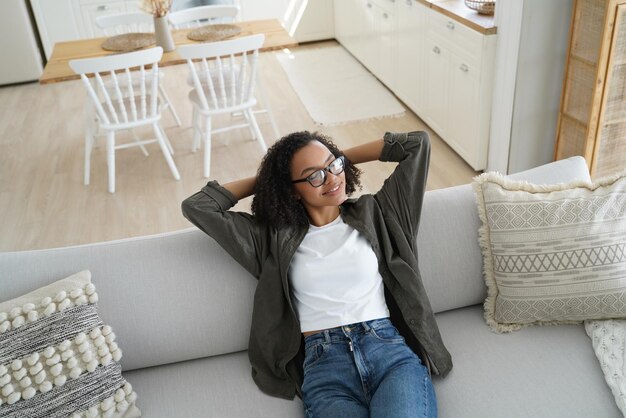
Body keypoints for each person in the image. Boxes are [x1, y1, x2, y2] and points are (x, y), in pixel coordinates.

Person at [182, 130, 452, 417]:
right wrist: (272, 182)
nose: (333, 178)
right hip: (326, 368)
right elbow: (198, 206)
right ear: (291, 189)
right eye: (315, 176)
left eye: (333, 165)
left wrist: (342, 159)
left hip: (389, 354)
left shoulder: (379, 213)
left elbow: (416, 144)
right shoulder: (270, 240)